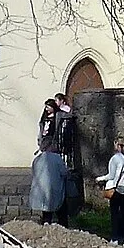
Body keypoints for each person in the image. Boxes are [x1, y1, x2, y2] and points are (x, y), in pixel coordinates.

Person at [28, 98, 70, 224]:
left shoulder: (38, 160)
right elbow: (64, 173)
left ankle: (47, 224)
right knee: (59, 209)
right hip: (55, 190)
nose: (46, 109)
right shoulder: (56, 159)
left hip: (45, 192)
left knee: (48, 211)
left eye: (48, 107)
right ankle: (61, 225)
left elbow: (34, 172)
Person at [53, 93, 81, 226]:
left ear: (62, 101)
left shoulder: (65, 113)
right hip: (63, 143)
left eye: (57, 100)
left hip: (65, 142)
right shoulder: (60, 113)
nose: (56, 103)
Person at [101, 137, 124, 245]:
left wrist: (100, 179)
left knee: (114, 214)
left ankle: (114, 238)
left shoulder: (115, 158)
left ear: (116, 145)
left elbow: (112, 175)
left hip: (117, 188)